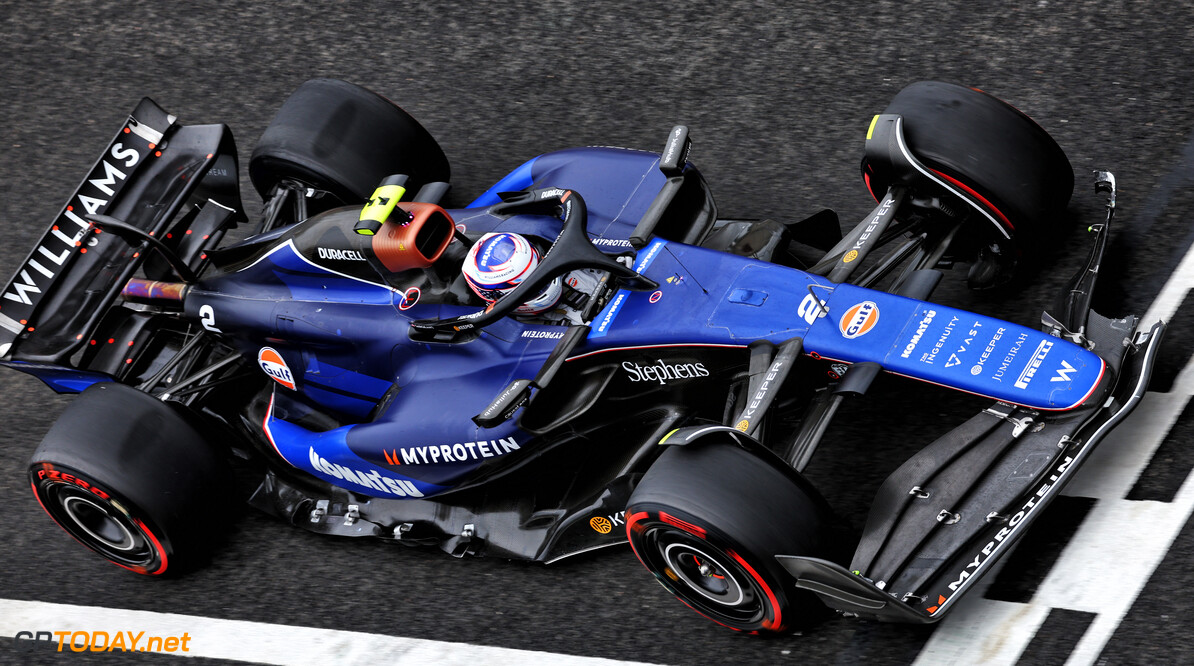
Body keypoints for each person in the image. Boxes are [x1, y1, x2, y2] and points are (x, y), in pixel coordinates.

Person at [463, 232, 598, 323]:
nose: (543, 281)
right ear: (499, 298)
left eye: (540, 268)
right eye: (533, 288)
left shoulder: (577, 266)